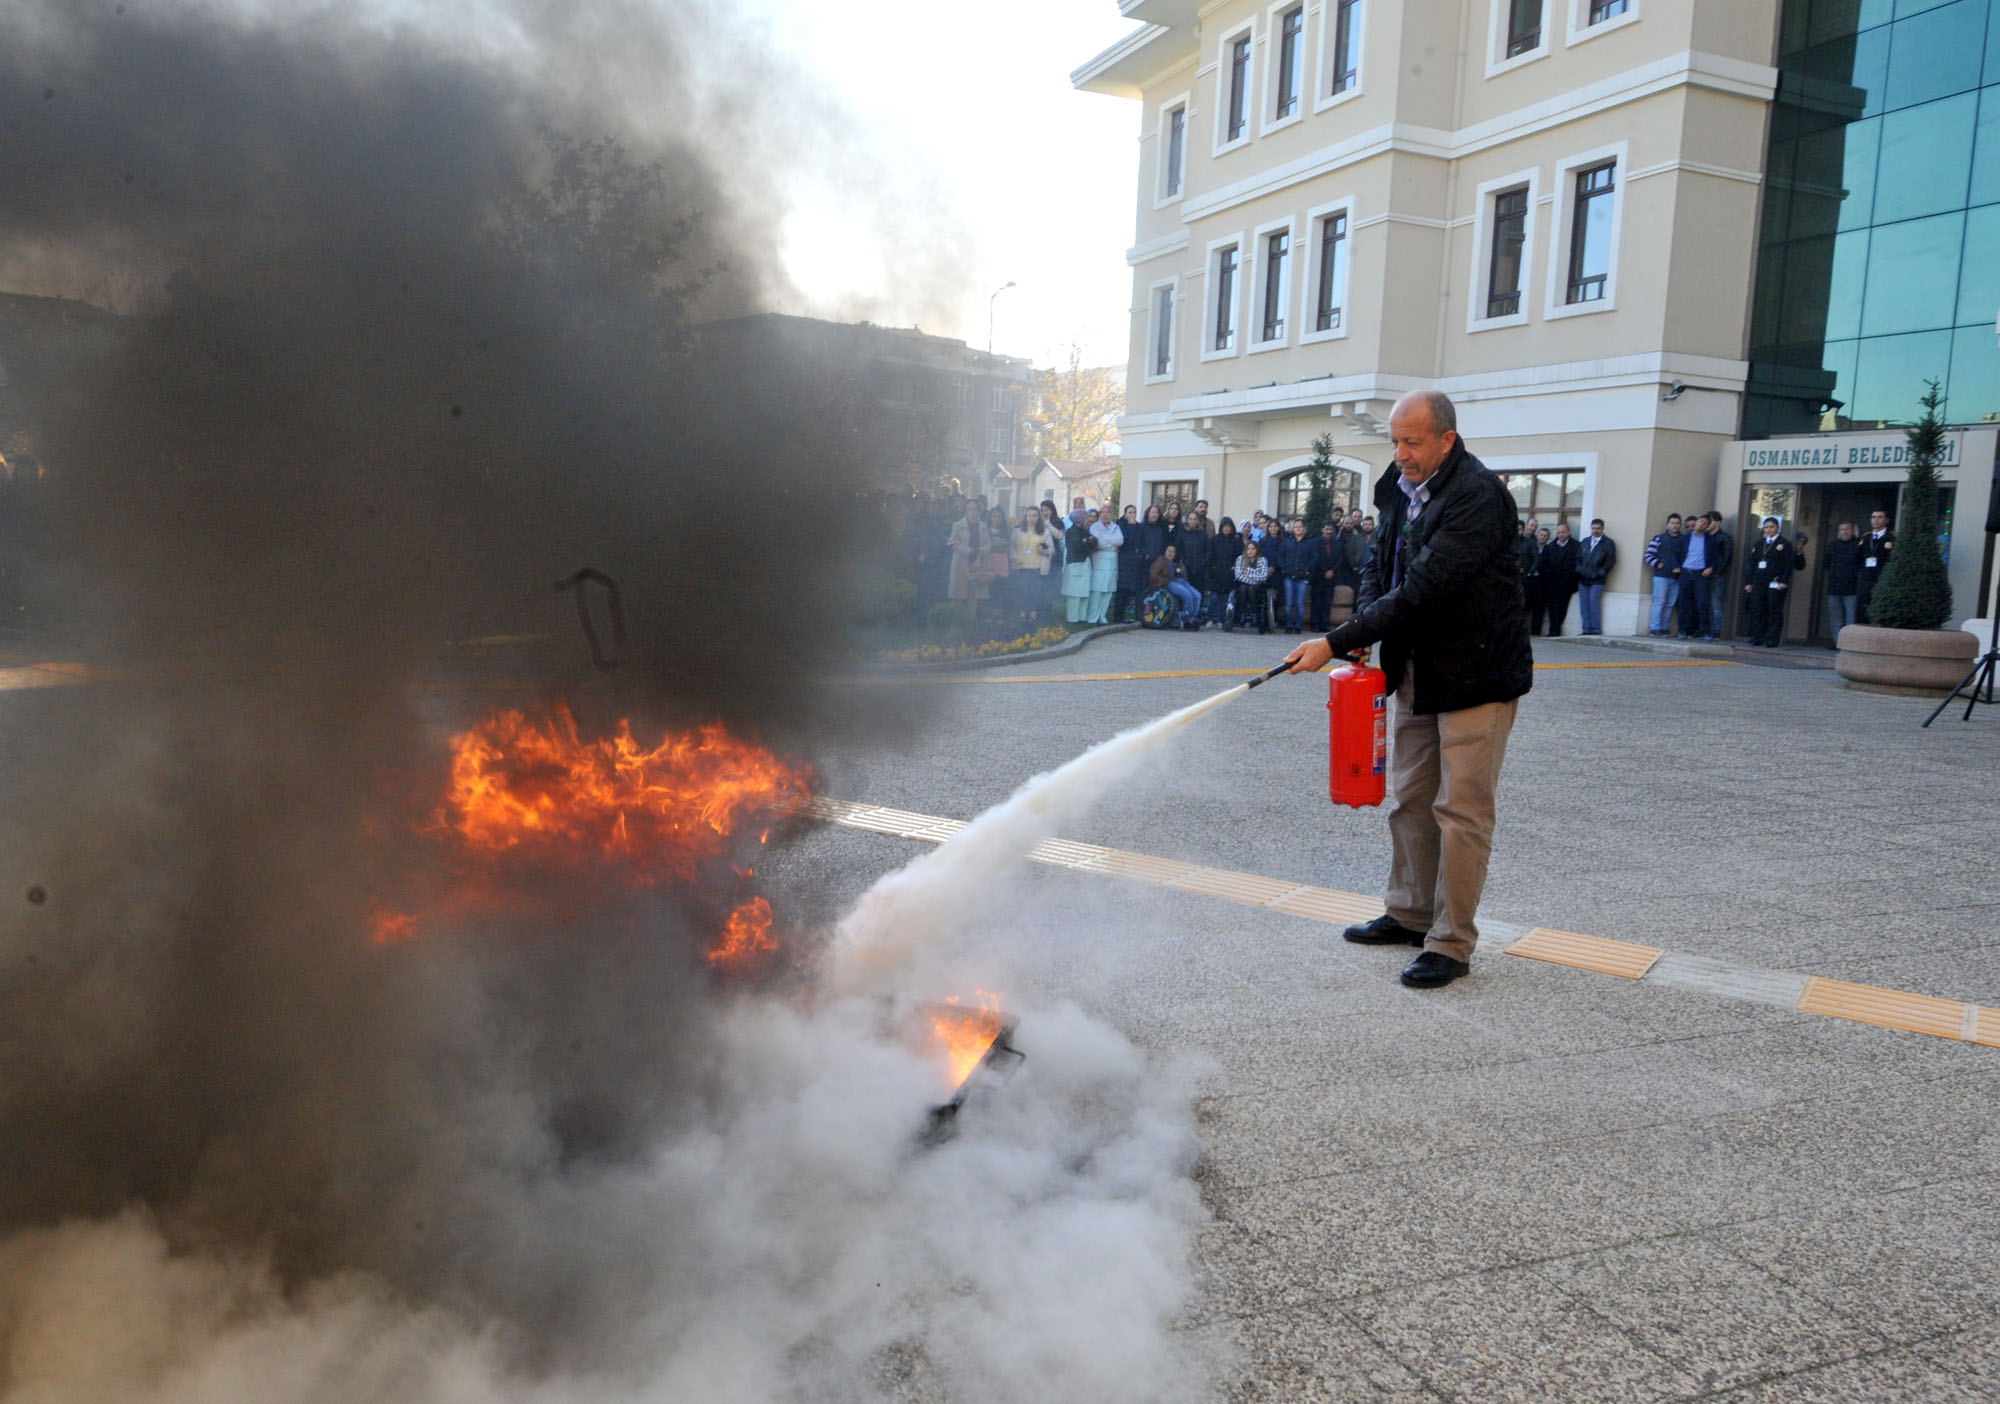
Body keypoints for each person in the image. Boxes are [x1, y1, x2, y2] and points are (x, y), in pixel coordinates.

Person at [1286, 389, 1532, 990]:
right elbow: (1380, 564)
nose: (1401, 455)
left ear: (1447, 439)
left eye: (1413, 442)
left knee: (1461, 811)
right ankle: (1409, 913)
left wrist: (1337, 639)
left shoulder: (1477, 497)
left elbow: (1426, 586)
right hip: (1416, 668)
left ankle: (1450, 943)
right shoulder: (1398, 488)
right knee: (1412, 797)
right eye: (1395, 441)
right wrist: (1365, 629)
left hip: (1476, 673)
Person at [1742, 515, 1794, 647]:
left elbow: (1788, 564)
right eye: (1766, 527)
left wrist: (1784, 581)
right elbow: (1751, 563)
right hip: (1759, 581)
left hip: (1775, 582)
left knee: (1774, 610)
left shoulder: (1784, 544)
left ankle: (1772, 639)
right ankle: (1758, 637)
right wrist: (1749, 582)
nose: (1769, 530)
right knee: (1758, 609)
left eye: (1772, 527)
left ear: (1778, 528)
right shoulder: (1760, 543)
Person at [1643, 514, 1686, 635]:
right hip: (1661, 576)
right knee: (1659, 602)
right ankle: (1655, 628)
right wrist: (1657, 564)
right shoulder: (1659, 538)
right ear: (1668, 525)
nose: (1675, 526)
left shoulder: (1684, 540)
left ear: (1680, 525)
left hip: (1677, 577)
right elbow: (1648, 555)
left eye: (1677, 523)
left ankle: (1664, 627)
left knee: (1670, 604)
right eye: (1672, 523)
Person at [1537, 521, 1579, 636]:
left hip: (1567, 585)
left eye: (1563, 532)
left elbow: (1578, 564)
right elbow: (1543, 565)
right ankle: (1553, 632)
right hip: (1552, 585)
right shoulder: (1551, 547)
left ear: (1569, 532)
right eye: (1559, 532)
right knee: (1552, 610)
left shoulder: (1576, 546)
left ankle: (1556, 630)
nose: (1561, 534)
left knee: (1562, 609)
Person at [1574, 518, 1616, 635]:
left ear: (1602, 529)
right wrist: (1579, 569)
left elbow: (1610, 561)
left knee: (1593, 602)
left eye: (1598, 528)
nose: (1595, 530)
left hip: (1597, 579)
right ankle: (1586, 629)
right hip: (1583, 578)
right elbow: (1578, 558)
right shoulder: (1585, 542)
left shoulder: (1608, 543)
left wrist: (1601, 572)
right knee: (1584, 605)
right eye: (1593, 528)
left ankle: (1596, 629)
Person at [1676, 511, 1712, 639]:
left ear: (1707, 527)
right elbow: (1676, 553)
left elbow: (1716, 557)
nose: (1703, 525)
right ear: (1696, 523)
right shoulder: (1684, 539)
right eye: (1701, 521)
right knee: (1683, 603)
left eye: (1706, 524)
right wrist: (1677, 567)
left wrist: (1711, 567)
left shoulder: (1709, 540)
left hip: (1700, 575)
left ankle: (1705, 632)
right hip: (1685, 573)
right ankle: (1682, 631)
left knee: (1702, 603)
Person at [1274, 517, 1314, 633]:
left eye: (1300, 527)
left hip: (1302, 577)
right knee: (1289, 602)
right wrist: (1285, 567)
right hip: (1289, 576)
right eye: (1296, 527)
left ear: (1304, 529)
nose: (1298, 529)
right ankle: (1289, 624)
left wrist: (1307, 569)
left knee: (1300, 603)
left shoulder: (1310, 542)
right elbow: (1280, 557)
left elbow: (1314, 558)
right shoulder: (1287, 542)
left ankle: (1298, 626)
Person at [1149, 543, 1203, 627]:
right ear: (1165, 552)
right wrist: (1165, 581)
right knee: (1187, 595)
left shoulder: (1178, 562)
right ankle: (1188, 617)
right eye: (1169, 551)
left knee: (1197, 595)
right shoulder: (1161, 560)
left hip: (1181, 581)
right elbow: (1153, 575)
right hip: (1168, 582)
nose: (1170, 553)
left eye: (1173, 552)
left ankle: (1193, 617)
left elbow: (1183, 575)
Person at [1824, 521, 1863, 637]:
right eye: (1842, 529)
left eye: (1847, 529)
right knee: (1835, 617)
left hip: (1852, 588)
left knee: (1851, 617)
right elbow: (1826, 564)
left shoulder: (1859, 546)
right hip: (1834, 587)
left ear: (1853, 531)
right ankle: (1837, 641)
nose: (1844, 532)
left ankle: (1848, 642)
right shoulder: (1833, 545)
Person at [946, 500, 987, 608]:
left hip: (978, 563)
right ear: (966, 511)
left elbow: (988, 544)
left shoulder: (983, 526)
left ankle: (972, 621)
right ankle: (958, 621)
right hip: (962, 563)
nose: (972, 512)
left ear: (979, 511)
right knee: (960, 594)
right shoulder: (958, 525)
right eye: (969, 509)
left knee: (975, 594)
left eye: (975, 509)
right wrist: (967, 550)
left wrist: (980, 551)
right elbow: (952, 541)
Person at [1087, 504, 1123, 624]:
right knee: (1097, 590)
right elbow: (1098, 543)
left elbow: (1120, 540)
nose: (1105, 514)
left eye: (1108, 512)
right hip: (1099, 562)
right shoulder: (1094, 527)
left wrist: (1106, 542)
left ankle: (1102, 615)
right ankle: (1093, 616)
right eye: (1103, 512)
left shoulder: (1115, 527)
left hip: (1112, 563)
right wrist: (1111, 546)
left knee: (1108, 591)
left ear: (1111, 514)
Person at [1857, 508, 1895, 622]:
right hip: (1866, 578)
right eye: (1873, 517)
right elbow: (1858, 557)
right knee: (1863, 608)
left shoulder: (1891, 539)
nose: (1876, 520)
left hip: (1882, 578)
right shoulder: (1866, 538)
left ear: (1886, 520)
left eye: (1880, 517)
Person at [1204, 517, 1242, 624]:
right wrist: (1211, 567)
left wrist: (1235, 566)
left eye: (1228, 527)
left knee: (1224, 599)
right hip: (1216, 572)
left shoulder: (1236, 540)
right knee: (1213, 598)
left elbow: (1239, 556)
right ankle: (1210, 618)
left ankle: (1221, 620)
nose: (1226, 529)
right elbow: (1210, 554)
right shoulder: (1214, 539)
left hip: (1228, 573)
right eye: (1224, 527)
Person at [1702, 513, 1734, 640]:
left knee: (1716, 604)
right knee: (1704, 602)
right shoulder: (1704, 537)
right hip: (1702, 575)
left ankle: (1716, 631)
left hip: (1717, 575)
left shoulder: (1724, 537)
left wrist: (1716, 570)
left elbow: (1727, 557)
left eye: (1709, 522)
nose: (1706, 525)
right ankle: (1704, 629)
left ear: (1717, 522)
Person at [1228, 539, 1271, 633]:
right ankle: (1241, 614)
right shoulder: (1240, 559)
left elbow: (1263, 576)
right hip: (1243, 585)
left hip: (1258, 588)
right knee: (1244, 588)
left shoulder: (1262, 560)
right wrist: (1254, 579)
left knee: (1251, 589)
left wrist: (1249, 575)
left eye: (1253, 549)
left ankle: (1255, 614)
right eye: (1248, 549)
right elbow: (1238, 575)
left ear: (1257, 550)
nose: (1250, 551)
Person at [1061, 508, 1095, 623]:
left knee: (1084, 594)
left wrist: (1087, 541)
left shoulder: (1084, 531)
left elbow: (1095, 543)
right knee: (1074, 595)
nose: (1088, 520)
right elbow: (1077, 546)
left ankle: (1082, 617)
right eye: (1086, 518)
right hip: (1075, 565)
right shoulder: (1071, 531)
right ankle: (1072, 618)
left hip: (1085, 563)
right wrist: (1086, 542)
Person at [1523, 527, 1549, 634]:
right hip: (1528, 579)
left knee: (1538, 608)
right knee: (1525, 605)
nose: (1542, 537)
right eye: (1541, 534)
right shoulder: (1529, 545)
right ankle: (1522, 631)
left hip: (1541, 581)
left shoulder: (1549, 549)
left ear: (1548, 538)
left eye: (1545, 535)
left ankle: (1535, 631)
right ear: (1537, 535)